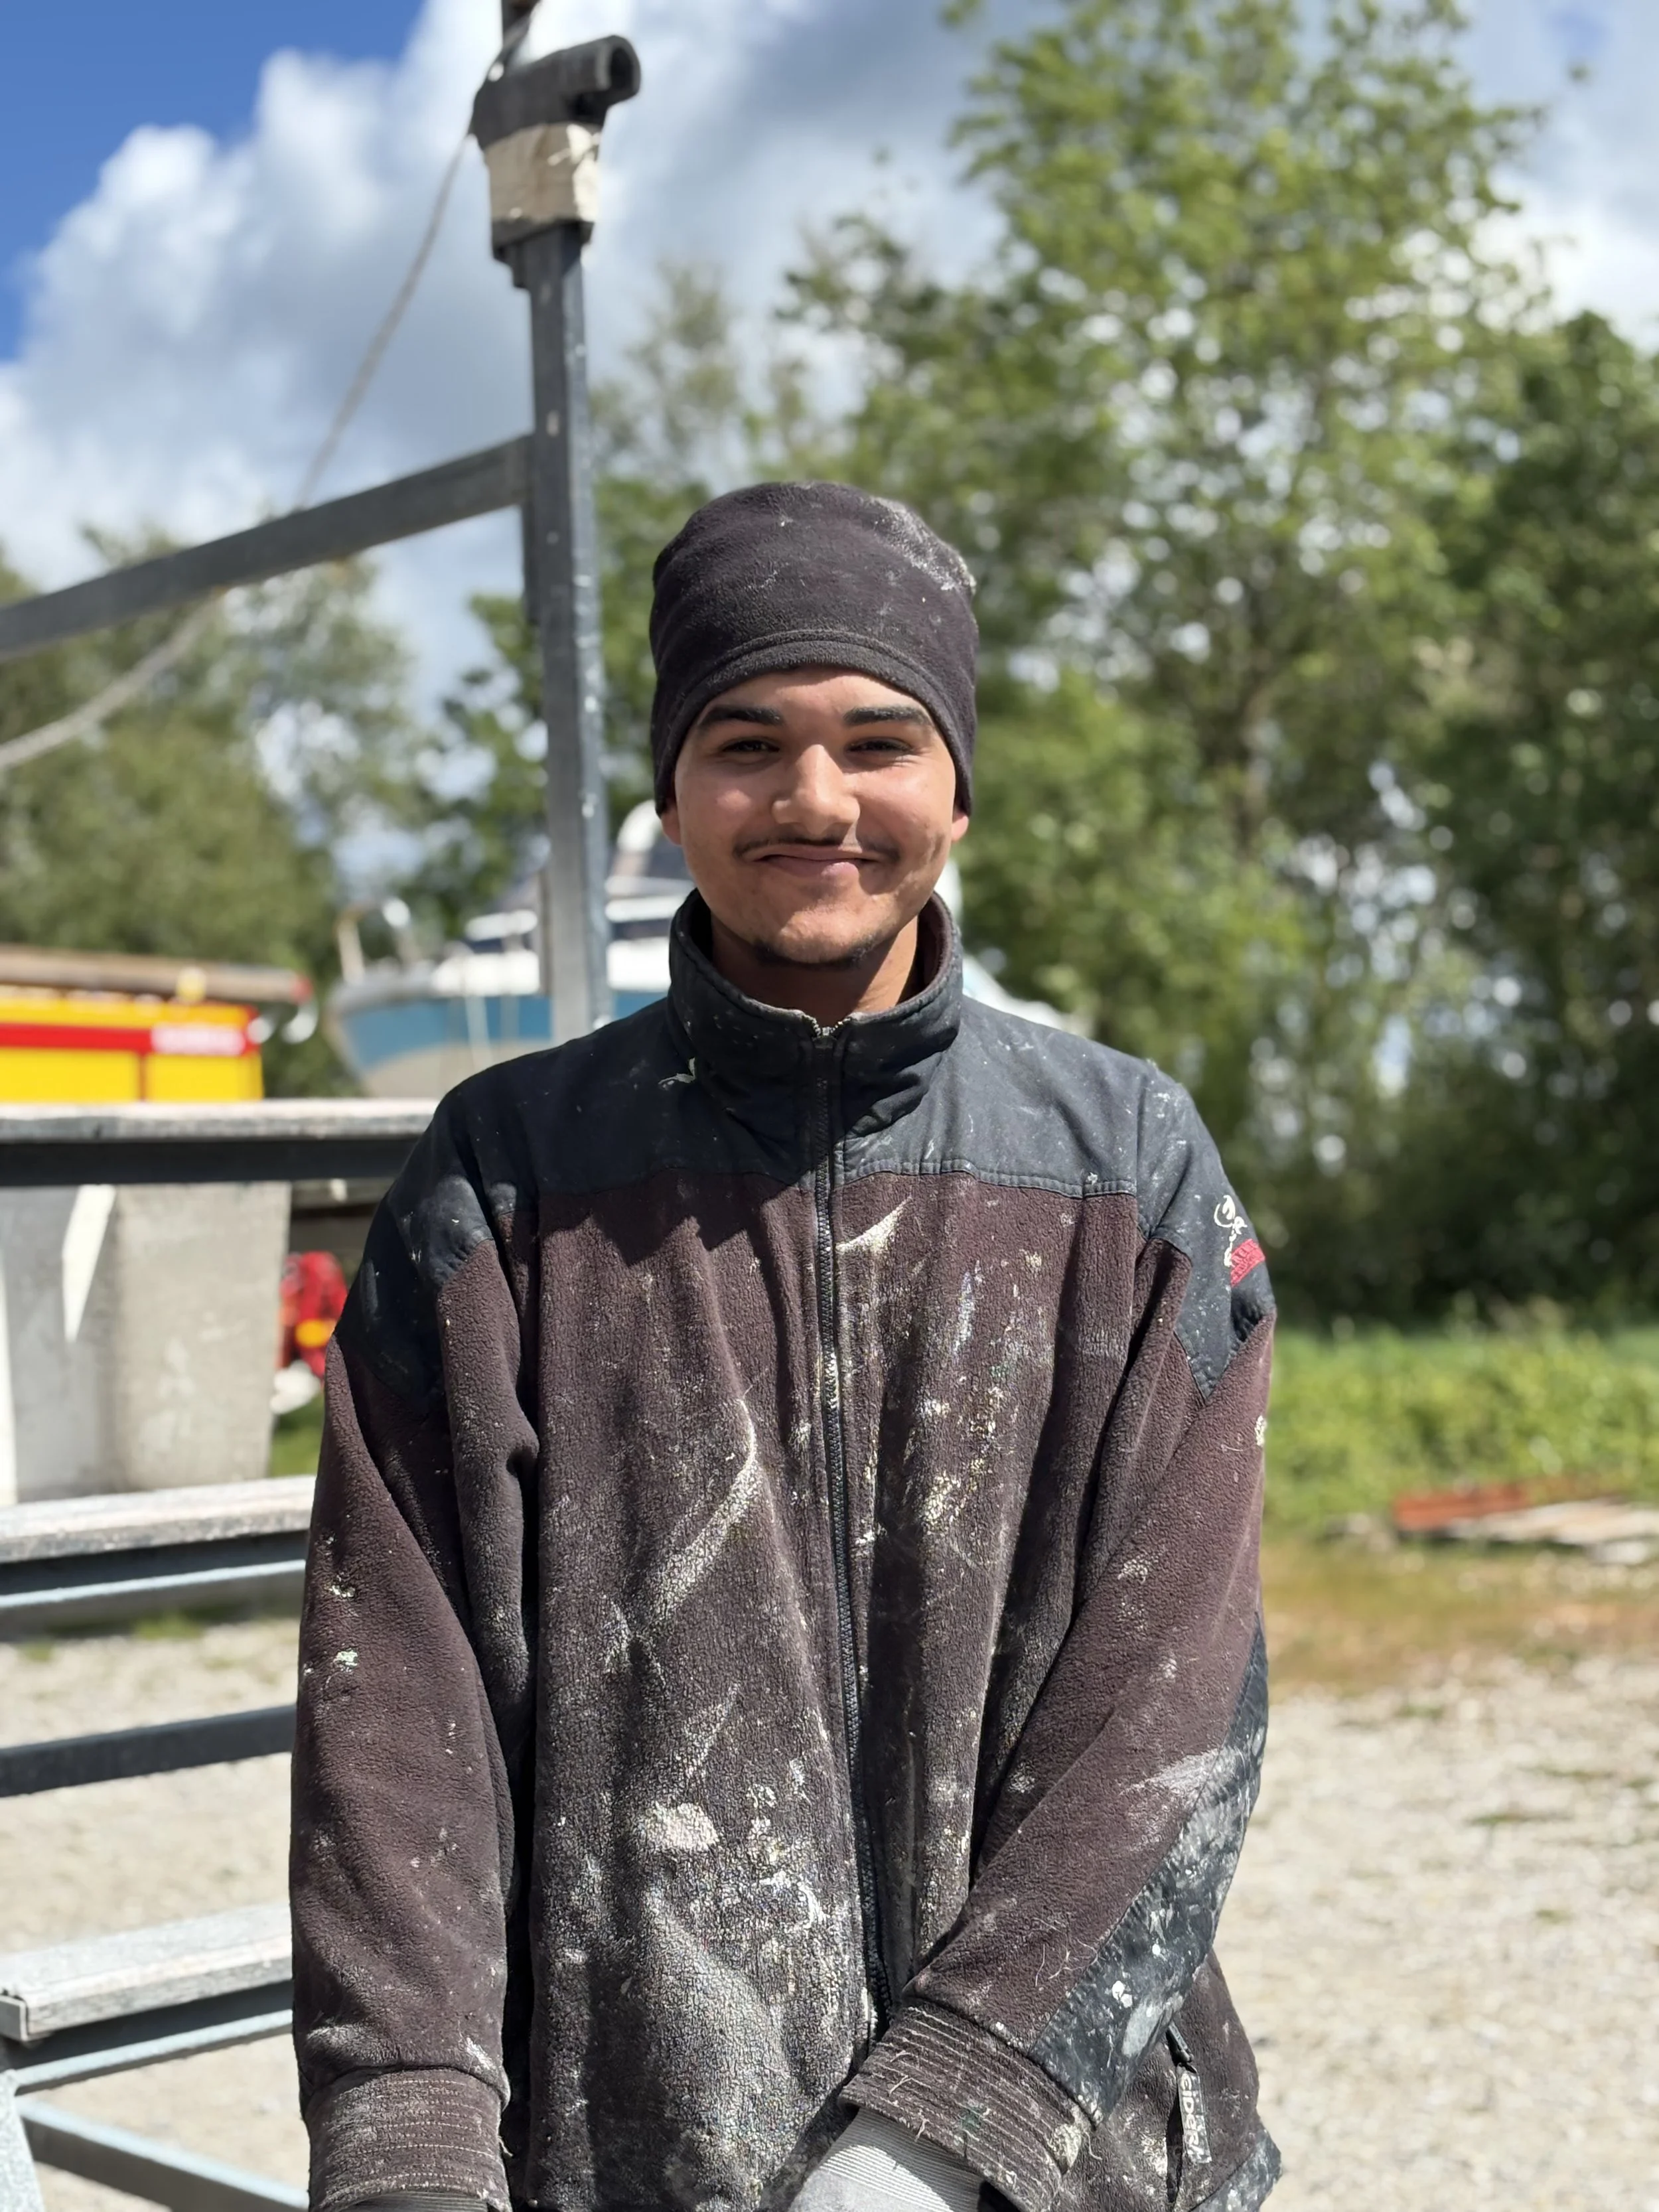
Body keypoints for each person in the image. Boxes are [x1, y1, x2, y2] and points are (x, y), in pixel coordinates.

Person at [290, 482, 1279, 2212]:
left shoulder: (1128, 1172)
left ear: (957, 785)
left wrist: (946, 2120)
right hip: (632, 2151)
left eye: (877, 741)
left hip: (1057, 2157)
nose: (813, 799)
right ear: (669, 788)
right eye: (744, 743)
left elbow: (1169, 1706)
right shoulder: (506, 1177)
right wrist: (407, 2148)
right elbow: (399, 1718)